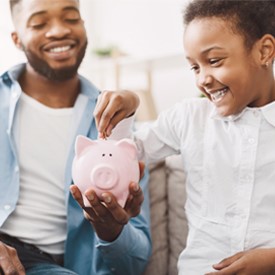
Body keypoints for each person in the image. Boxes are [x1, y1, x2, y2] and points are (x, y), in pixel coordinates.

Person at [95, 0, 275, 274]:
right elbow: (125, 154)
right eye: (194, 67)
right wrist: (129, 104)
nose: (203, 79)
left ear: (264, 51)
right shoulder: (188, 118)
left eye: (214, 61)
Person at [0, 0, 151, 274]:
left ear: (83, 26)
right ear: (17, 39)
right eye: (39, 23)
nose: (59, 31)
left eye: (71, 18)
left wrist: (112, 232)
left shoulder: (118, 126)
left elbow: (135, 261)